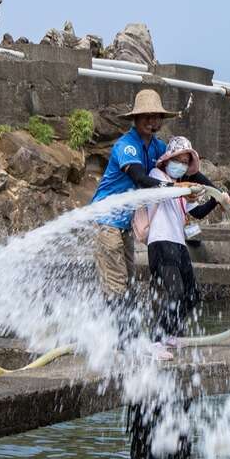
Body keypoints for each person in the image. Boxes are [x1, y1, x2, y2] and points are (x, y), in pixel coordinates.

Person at [144, 136, 230, 354]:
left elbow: (198, 212)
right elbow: (165, 189)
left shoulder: (182, 190)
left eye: (186, 162)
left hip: (179, 245)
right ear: (167, 160)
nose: (182, 165)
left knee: (192, 294)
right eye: (179, 160)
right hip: (160, 242)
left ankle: (171, 334)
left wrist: (217, 199)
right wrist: (185, 186)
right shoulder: (156, 176)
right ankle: (155, 341)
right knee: (174, 292)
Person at [89, 89, 175, 300]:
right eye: (146, 117)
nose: (152, 122)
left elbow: (180, 162)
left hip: (125, 223)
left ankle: (120, 329)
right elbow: (139, 177)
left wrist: (212, 191)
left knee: (128, 280)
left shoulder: (157, 147)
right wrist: (170, 189)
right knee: (116, 284)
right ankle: (114, 331)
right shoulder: (126, 146)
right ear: (135, 119)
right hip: (106, 218)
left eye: (156, 117)